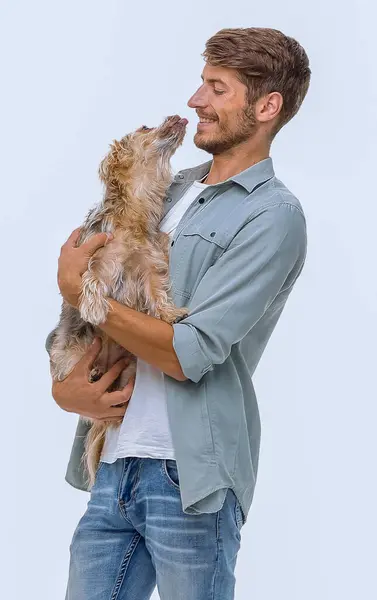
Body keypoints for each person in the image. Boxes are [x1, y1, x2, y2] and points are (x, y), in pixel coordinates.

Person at [46, 26, 310, 600]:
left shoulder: (272, 216)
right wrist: (67, 390)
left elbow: (190, 352)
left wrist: (82, 292)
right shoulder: (163, 187)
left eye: (217, 89)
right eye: (201, 84)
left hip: (186, 476)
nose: (196, 102)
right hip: (111, 466)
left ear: (267, 107)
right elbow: (89, 318)